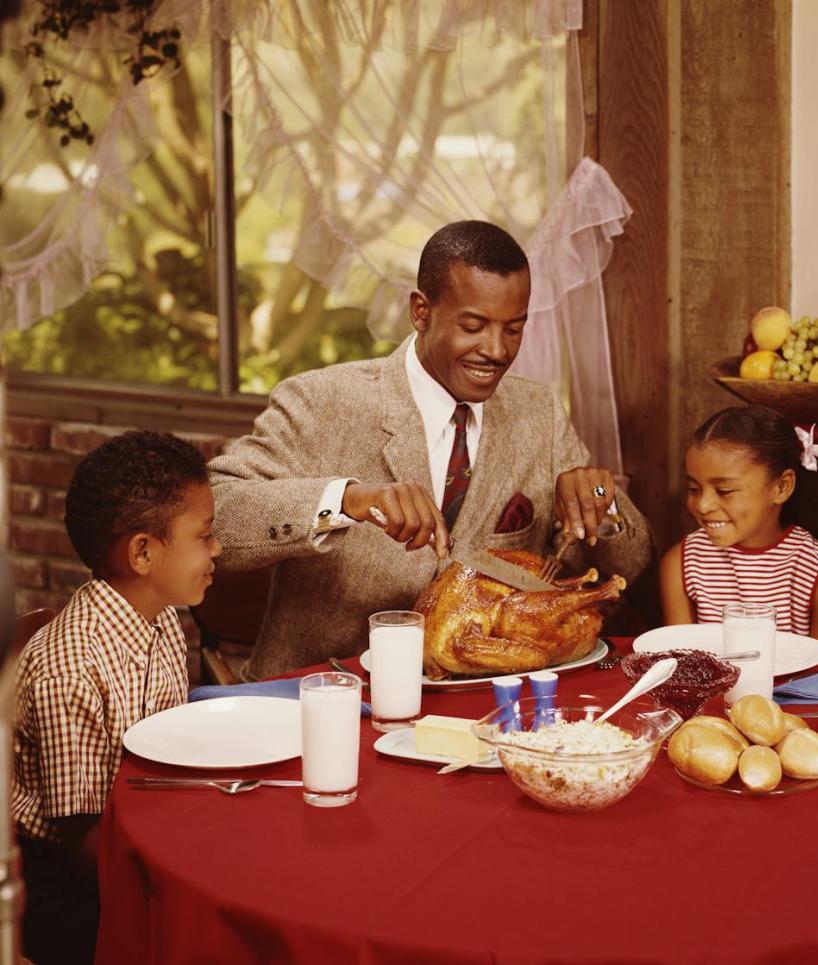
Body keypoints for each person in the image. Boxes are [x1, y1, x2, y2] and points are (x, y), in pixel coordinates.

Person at [210, 220, 653, 678]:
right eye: (474, 326)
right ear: (420, 312)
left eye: (514, 329)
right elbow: (217, 515)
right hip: (320, 696)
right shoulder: (320, 403)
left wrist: (604, 503)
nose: (497, 350)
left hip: (481, 710)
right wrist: (345, 501)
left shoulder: (538, 411)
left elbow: (629, 567)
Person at [11, 430, 219, 964]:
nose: (217, 549)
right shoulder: (71, 670)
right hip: (75, 894)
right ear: (144, 553)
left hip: (147, 829)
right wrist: (186, 870)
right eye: (204, 535)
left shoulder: (163, 618)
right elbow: (82, 838)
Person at [659, 405, 818, 658]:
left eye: (724, 491)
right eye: (694, 489)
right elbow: (679, 664)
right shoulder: (681, 563)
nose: (703, 505)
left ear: (782, 487)